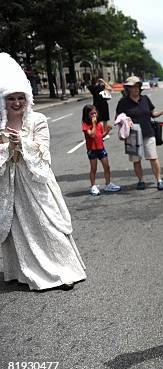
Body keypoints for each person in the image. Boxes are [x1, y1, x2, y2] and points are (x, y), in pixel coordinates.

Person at [0, 53, 87, 291]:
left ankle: (64, 271)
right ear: (3, 101)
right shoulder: (0, 124)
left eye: (20, 98)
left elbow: (44, 154)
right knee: (19, 227)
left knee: (47, 224)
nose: (16, 103)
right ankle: (23, 271)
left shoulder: (37, 120)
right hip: (12, 183)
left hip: (36, 181)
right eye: (11, 99)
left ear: (27, 100)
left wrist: (22, 143)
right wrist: (8, 147)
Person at [115, 76, 163, 191]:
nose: (135, 89)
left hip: (148, 132)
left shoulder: (145, 99)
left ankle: (159, 180)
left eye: (137, 87)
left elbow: (152, 114)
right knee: (136, 160)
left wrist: (162, 112)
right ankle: (141, 180)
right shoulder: (123, 102)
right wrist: (126, 120)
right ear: (128, 89)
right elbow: (117, 117)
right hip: (132, 134)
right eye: (133, 87)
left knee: (153, 157)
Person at [81, 104, 121, 195]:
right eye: (91, 114)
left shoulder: (99, 124)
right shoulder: (86, 125)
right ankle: (93, 186)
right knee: (93, 168)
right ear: (87, 115)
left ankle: (108, 184)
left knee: (107, 166)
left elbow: (100, 136)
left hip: (101, 148)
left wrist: (107, 131)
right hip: (92, 150)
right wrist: (94, 123)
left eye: (95, 113)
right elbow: (92, 134)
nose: (94, 115)